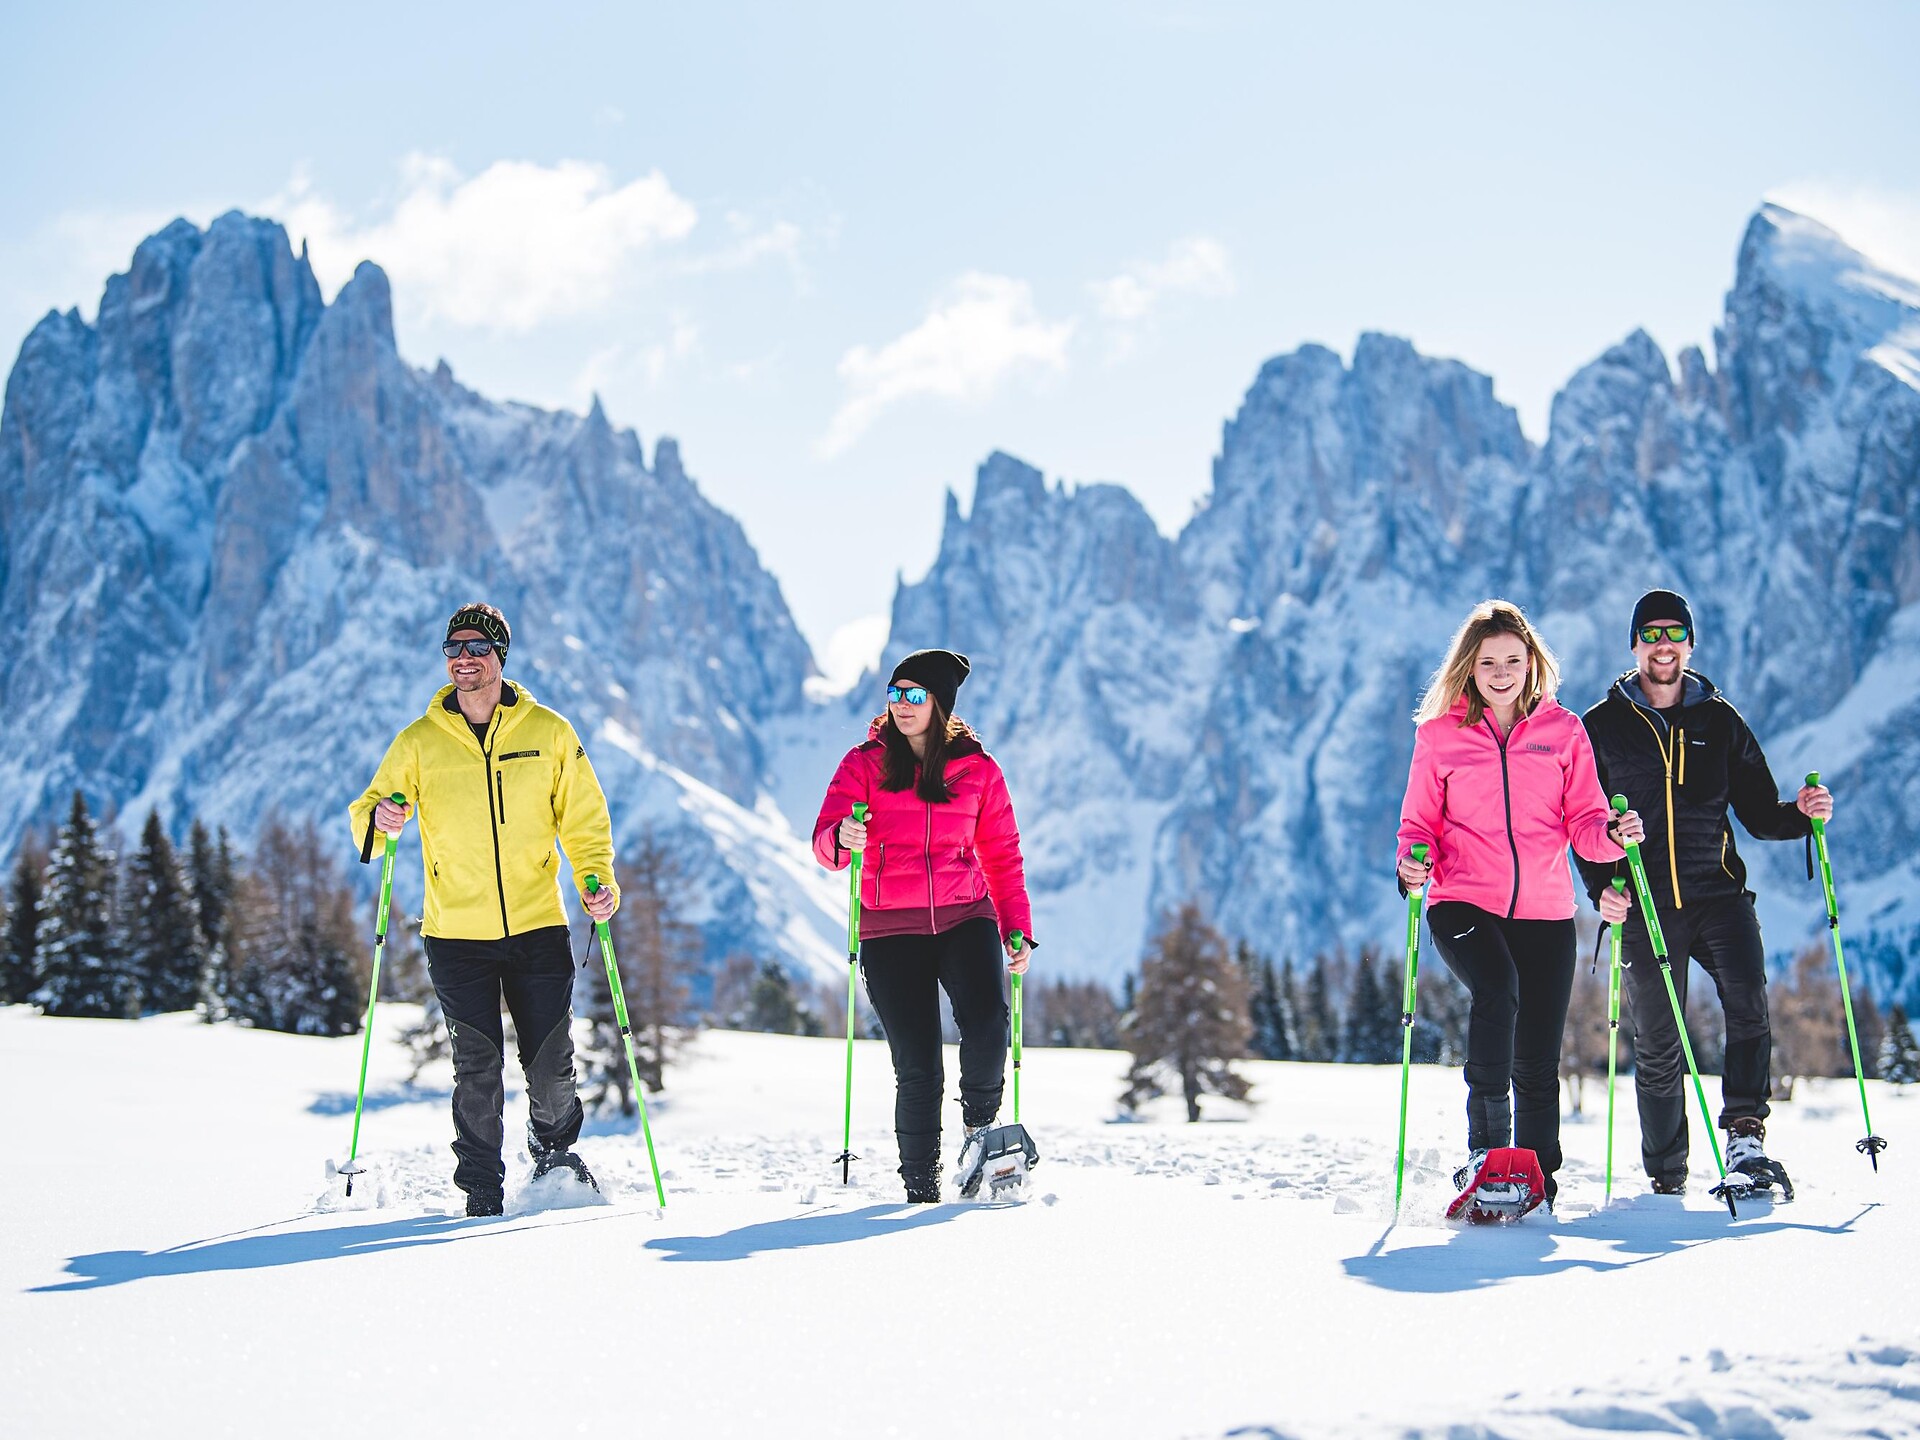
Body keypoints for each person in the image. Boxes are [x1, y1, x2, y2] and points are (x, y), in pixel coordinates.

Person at [349, 603, 619, 1217]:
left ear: (501, 655)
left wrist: (596, 879)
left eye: (476, 648)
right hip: (455, 932)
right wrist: (381, 819)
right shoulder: (419, 741)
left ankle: (553, 1155)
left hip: (537, 924)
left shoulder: (548, 731)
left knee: (550, 1067)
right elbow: (369, 810)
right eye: (453, 648)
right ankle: (481, 1190)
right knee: (476, 1069)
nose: (463, 659)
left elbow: (584, 820)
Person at [1577, 589, 1831, 1195]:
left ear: (1690, 643)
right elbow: (1580, 824)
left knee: (1748, 1000)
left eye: (1674, 633)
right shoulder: (1600, 727)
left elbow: (1759, 812)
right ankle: (1667, 1175)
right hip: (1643, 902)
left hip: (1718, 895)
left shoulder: (1721, 720)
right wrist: (1601, 892)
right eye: (1651, 633)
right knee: (1660, 1040)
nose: (1663, 644)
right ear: (1634, 645)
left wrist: (1801, 813)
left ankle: (1745, 1135)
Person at [1397, 599, 1641, 1212]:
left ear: (1532, 663)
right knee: (1498, 991)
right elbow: (1417, 823)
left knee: (1536, 1054)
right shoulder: (1440, 735)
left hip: (1546, 912)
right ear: (1470, 668)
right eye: (1488, 662)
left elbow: (1584, 819)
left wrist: (1611, 835)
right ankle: (1486, 1153)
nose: (1502, 672)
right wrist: (1413, 862)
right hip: (1462, 903)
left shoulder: (1563, 732)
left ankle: (1538, 1178)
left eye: (1513, 659)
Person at [812, 648, 1035, 1202]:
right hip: (891, 927)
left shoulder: (978, 770)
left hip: (966, 914)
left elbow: (1003, 854)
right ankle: (921, 1189)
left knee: (986, 1023)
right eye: (895, 694)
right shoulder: (863, 764)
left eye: (914, 695)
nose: (902, 706)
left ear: (940, 703)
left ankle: (979, 1133)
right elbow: (825, 841)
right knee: (918, 1063)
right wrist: (842, 838)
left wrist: (1016, 927)